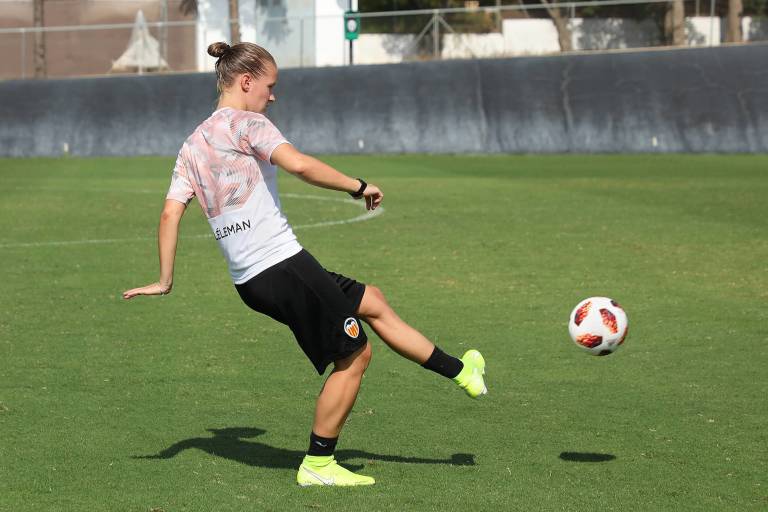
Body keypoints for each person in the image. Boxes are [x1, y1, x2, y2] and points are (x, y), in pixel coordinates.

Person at [123, 41, 487, 487]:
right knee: (354, 355)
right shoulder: (248, 123)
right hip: (280, 266)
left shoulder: (191, 145)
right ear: (246, 81)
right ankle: (318, 464)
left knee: (371, 301)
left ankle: (461, 371)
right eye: (270, 86)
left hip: (254, 279)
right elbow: (298, 165)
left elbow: (169, 212)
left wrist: (164, 280)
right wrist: (358, 185)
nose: (272, 96)